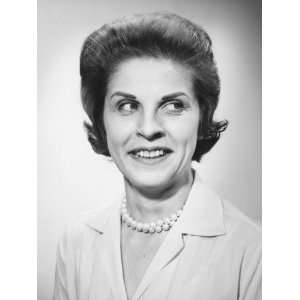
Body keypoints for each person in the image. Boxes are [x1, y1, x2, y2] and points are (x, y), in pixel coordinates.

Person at [53, 12, 261, 300]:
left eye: (174, 105)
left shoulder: (256, 252)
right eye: (126, 105)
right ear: (101, 121)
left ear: (202, 118)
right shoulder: (75, 242)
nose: (149, 129)